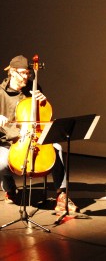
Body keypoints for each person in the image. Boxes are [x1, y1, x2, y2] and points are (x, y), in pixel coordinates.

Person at [0, 55, 78, 213]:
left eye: (28, 73)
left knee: (56, 148)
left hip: (33, 137)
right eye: (23, 73)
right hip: (8, 141)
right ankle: (10, 188)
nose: (27, 77)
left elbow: (41, 117)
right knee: (1, 164)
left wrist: (43, 102)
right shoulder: (0, 93)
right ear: (13, 72)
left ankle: (62, 194)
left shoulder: (33, 88)